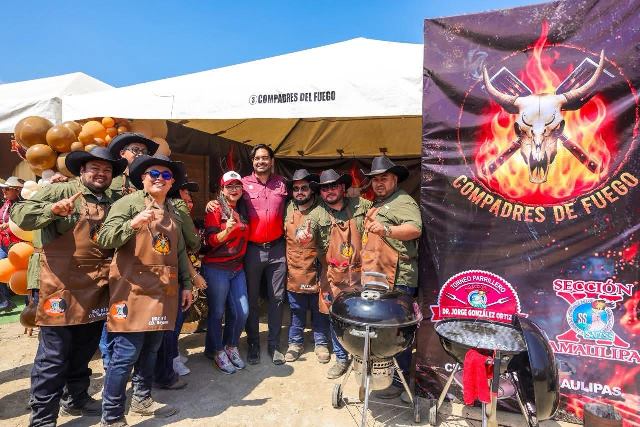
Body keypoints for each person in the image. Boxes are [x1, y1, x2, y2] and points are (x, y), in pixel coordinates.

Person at [10, 148, 127, 426]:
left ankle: (75, 398)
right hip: (59, 284)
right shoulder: (60, 190)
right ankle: (42, 418)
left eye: (107, 170)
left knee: (84, 349)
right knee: (53, 355)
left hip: (96, 285)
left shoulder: (112, 200)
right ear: (82, 170)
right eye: (94, 168)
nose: (101, 174)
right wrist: (51, 210)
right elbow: (20, 213)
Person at [96, 153, 193, 426]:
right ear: (143, 178)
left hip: (163, 290)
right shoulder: (127, 203)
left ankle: (142, 398)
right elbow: (104, 238)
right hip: (132, 290)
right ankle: (112, 415)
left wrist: (186, 284)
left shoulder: (173, 210)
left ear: (171, 182)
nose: (160, 179)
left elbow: (180, 252)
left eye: (166, 175)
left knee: (152, 349)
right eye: (154, 174)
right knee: (125, 355)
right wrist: (132, 224)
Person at [359, 156, 422, 400]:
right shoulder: (380, 203)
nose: (378, 183)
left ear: (394, 179)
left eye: (383, 178)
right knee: (381, 331)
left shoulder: (403, 201)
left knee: (398, 333)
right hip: (378, 276)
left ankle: (401, 380)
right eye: (375, 179)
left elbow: (415, 228)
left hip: (398, 278)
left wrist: (386, 229)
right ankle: (382, 375)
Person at [302, 169, 372, 379]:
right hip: (333, 277)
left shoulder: (362, 205)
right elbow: (303, 232)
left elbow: (380, 214)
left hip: (361, 274)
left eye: (333, 186)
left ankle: (363, 358)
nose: (329, 191)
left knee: (362, 318)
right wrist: (303, 235)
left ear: (342, 187)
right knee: (336, 318)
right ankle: (341, 359)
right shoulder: (316, 214)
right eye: (325, 188)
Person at [232, 144, 288, 365]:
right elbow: (227, 198)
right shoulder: (243, 184)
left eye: (265, 158)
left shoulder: (282, 184)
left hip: (277, 249)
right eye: (257, 158)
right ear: (253, 161)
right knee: (252, 299)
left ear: (272, 161)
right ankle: (253, 343)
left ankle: (274, 345)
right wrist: (212, 203)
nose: (261, 161)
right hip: (252, 250)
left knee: (277, 298)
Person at [202, 171, 250, 373]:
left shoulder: (244, 208)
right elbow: (210, 241)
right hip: (217, 267)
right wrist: (227, 231)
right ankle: (217, 350)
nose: (234, 189)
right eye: (229, 186)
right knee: (217, 312)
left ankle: (231, 346)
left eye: (237, 185)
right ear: (222, 189)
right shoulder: (215, 209)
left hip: (237, 267)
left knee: (242, 312)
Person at [283, 169, 330, 364]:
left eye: (304, 188)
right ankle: (295, 343)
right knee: (297, 310)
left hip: (317, 267)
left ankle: (321, 343)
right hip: (295, 268)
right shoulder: (287, 208)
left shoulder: (323, 209)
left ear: (312, 190)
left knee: (319, 309)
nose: (300, 192)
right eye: (296, 189)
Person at [107, 132, 159, 197]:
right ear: (122, 153)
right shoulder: (111, 175)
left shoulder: (152, 178)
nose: (140, 154)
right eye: (135, 150)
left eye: (144, 152)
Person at [0, 176, 24, 312]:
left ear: (17, 190)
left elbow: (22, 223)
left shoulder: (23, 205)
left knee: (22, 273)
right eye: (4, 189)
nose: (4, 191)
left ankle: (28, 303)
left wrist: (8, 225)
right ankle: (5, 301)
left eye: (7, 189)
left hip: (18, 245)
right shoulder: (6, 203)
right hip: (3, 243)